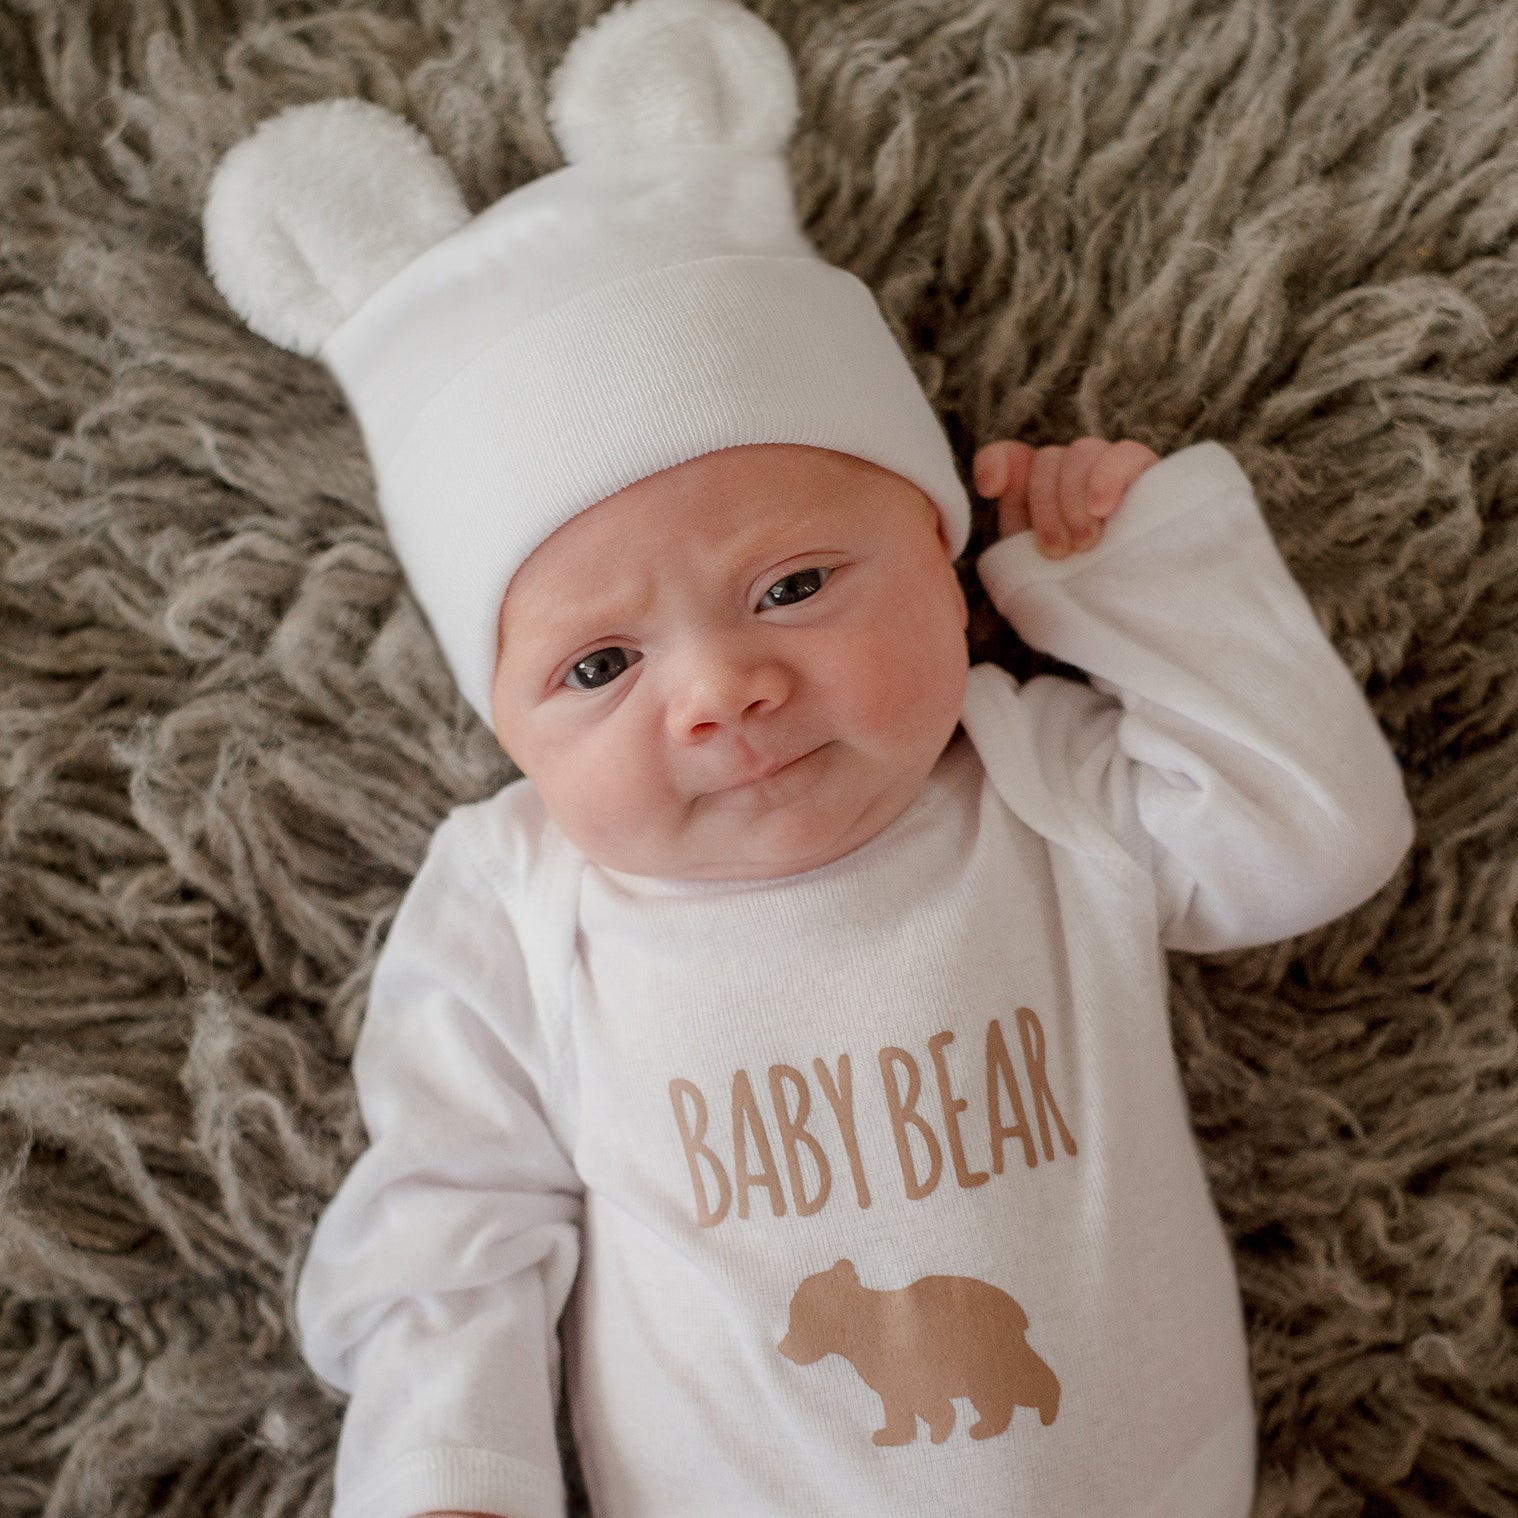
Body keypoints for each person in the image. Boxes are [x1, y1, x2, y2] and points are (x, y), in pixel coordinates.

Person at [199, 2, 1415, 1515]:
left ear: (942, 551)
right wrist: (450, 1476)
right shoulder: (518, 902)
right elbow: (450, 1218)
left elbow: (1313, 837)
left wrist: (1137, 578)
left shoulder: (1033, 780)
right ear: (505, 726)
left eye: (792, 587)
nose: (720, 691)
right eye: (597, 666)